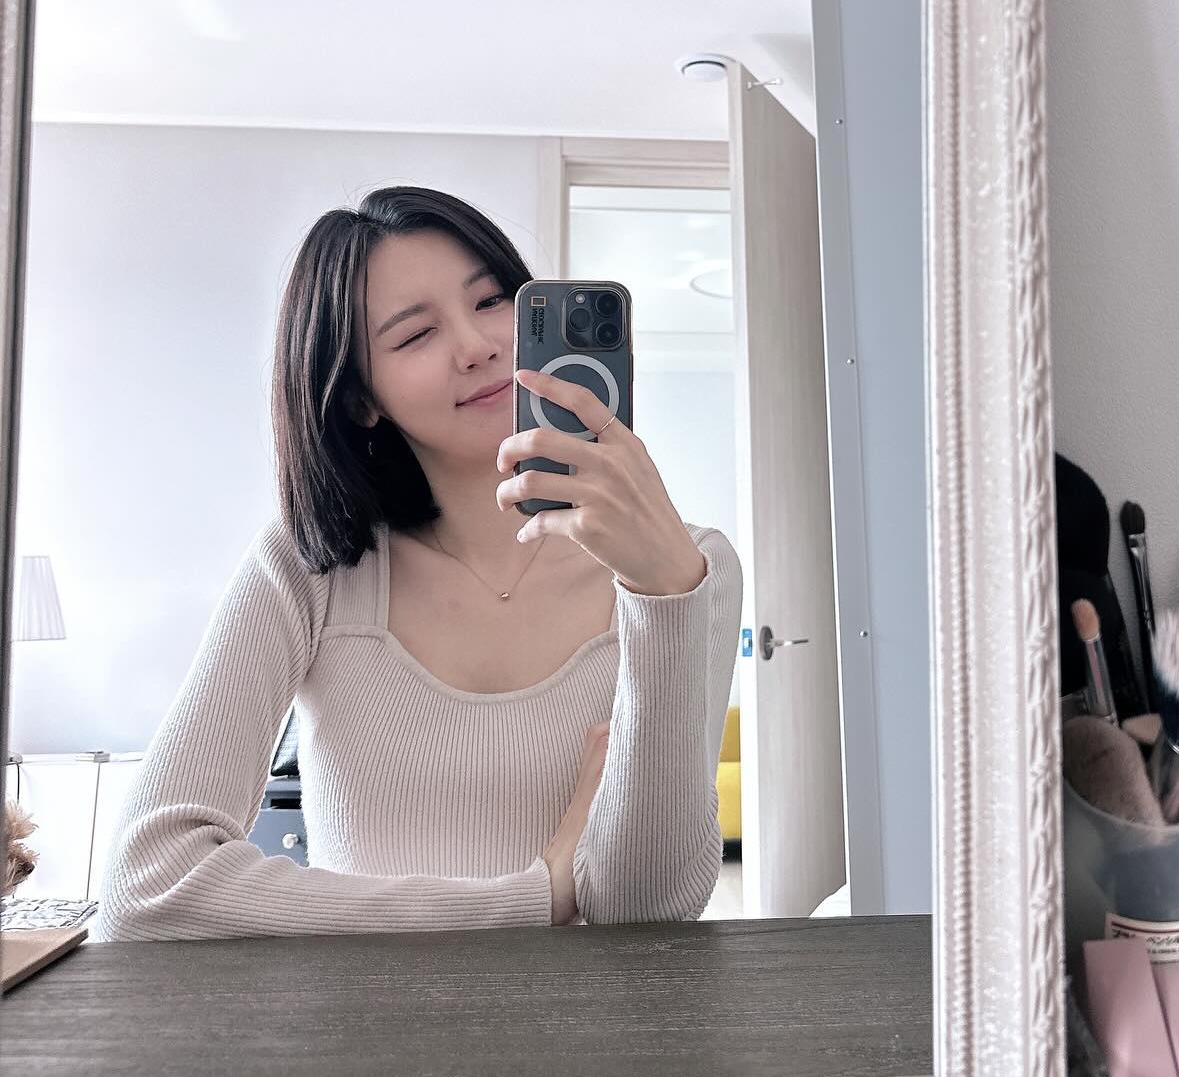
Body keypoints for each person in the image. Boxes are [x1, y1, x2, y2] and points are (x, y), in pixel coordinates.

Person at [93, 186, 743, 942]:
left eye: (493, 300)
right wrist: (531, 899)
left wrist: (661, 595)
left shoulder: (693, 565)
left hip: (603, 1021)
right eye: (415, 335)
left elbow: (652, 913)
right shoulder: (310, 567)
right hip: (368, 1022)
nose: (477, 345)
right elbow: (146, 889)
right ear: (363, 400)